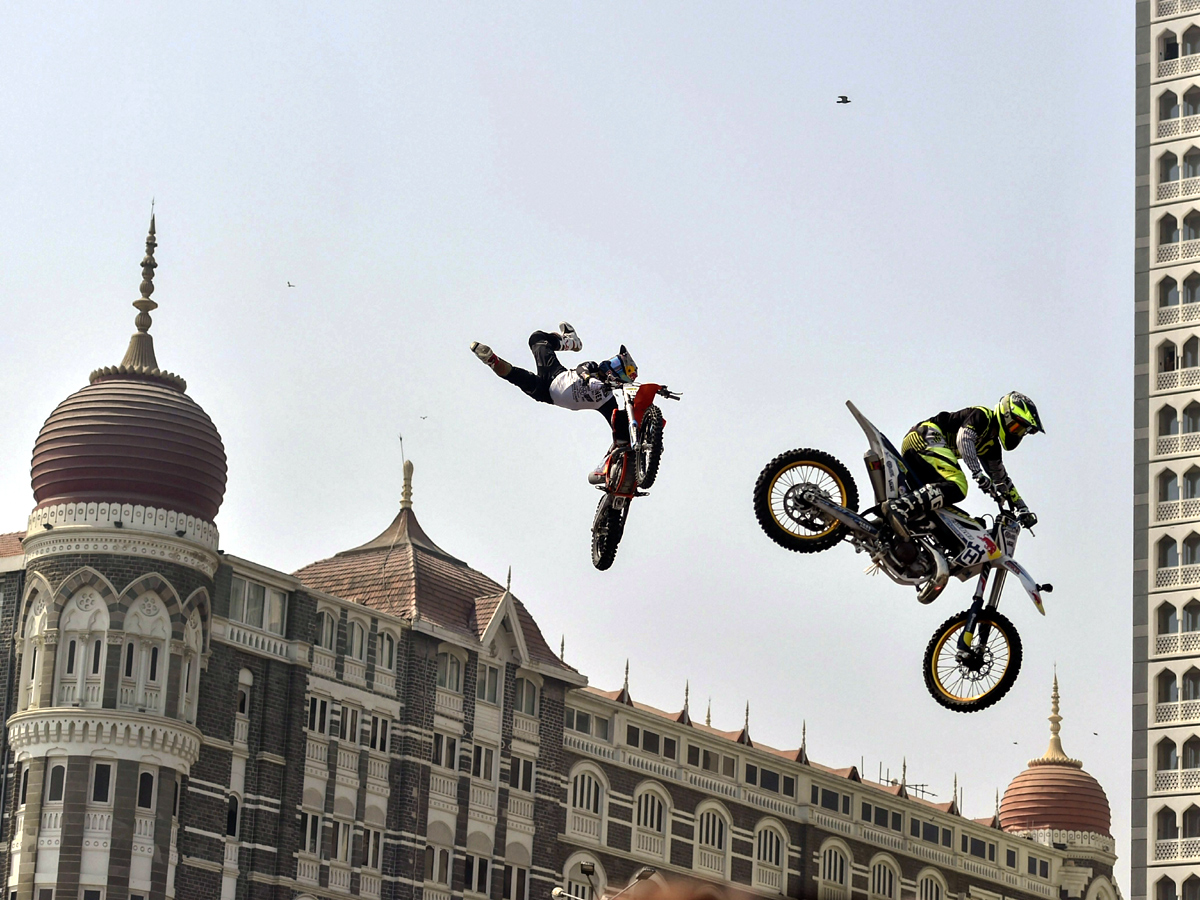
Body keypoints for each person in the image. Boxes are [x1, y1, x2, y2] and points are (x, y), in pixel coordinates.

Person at [470, 323, 638, 475]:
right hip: (555, 374)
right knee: (536, 338)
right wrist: (589, 380)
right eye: (615, 361)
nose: (611, 363)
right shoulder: (593, 368)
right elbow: (582, 369)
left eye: (618, 365)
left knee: (513, 375)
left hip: (546, 394)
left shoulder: (608, 400)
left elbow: (618, 425)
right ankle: (571, 341)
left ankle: (493, 361)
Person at [888, 391, 1044, 531]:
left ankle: (909, 524)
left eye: (1021, 431)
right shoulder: (983, 416)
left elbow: (1001, 479)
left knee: (944, 506)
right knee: (958, 484)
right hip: (924, 436)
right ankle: (900, 506)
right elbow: (964, 438)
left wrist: (1022, 508)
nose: (1017, 433)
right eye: (1017, 427)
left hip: (925, 451)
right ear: (1006, 414)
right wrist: (977, 473)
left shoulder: (992, 446)